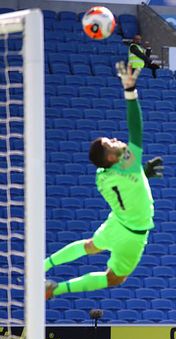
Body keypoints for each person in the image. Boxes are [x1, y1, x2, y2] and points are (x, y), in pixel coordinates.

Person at [45, 62, 163, 300]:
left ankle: (44, 265)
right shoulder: (128, 164)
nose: (115, 139)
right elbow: (136, 129)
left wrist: (142, 174)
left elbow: (127, 185)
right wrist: (130, 90)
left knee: (90, 246)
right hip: (134, 233)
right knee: (114, 279)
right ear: (110, 157)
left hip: (116, 224)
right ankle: (55, 290)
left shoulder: (102, 175)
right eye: (111, 142)